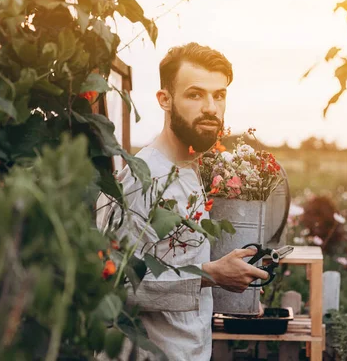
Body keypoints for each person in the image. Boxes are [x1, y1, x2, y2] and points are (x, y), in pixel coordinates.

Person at [99, 42, 268, 360]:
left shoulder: (192, 170)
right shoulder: (141, 178)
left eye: (219, 95)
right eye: (195, 94)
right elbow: (113, 280)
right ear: (165, 99)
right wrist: (212, 275)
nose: (211, 108)